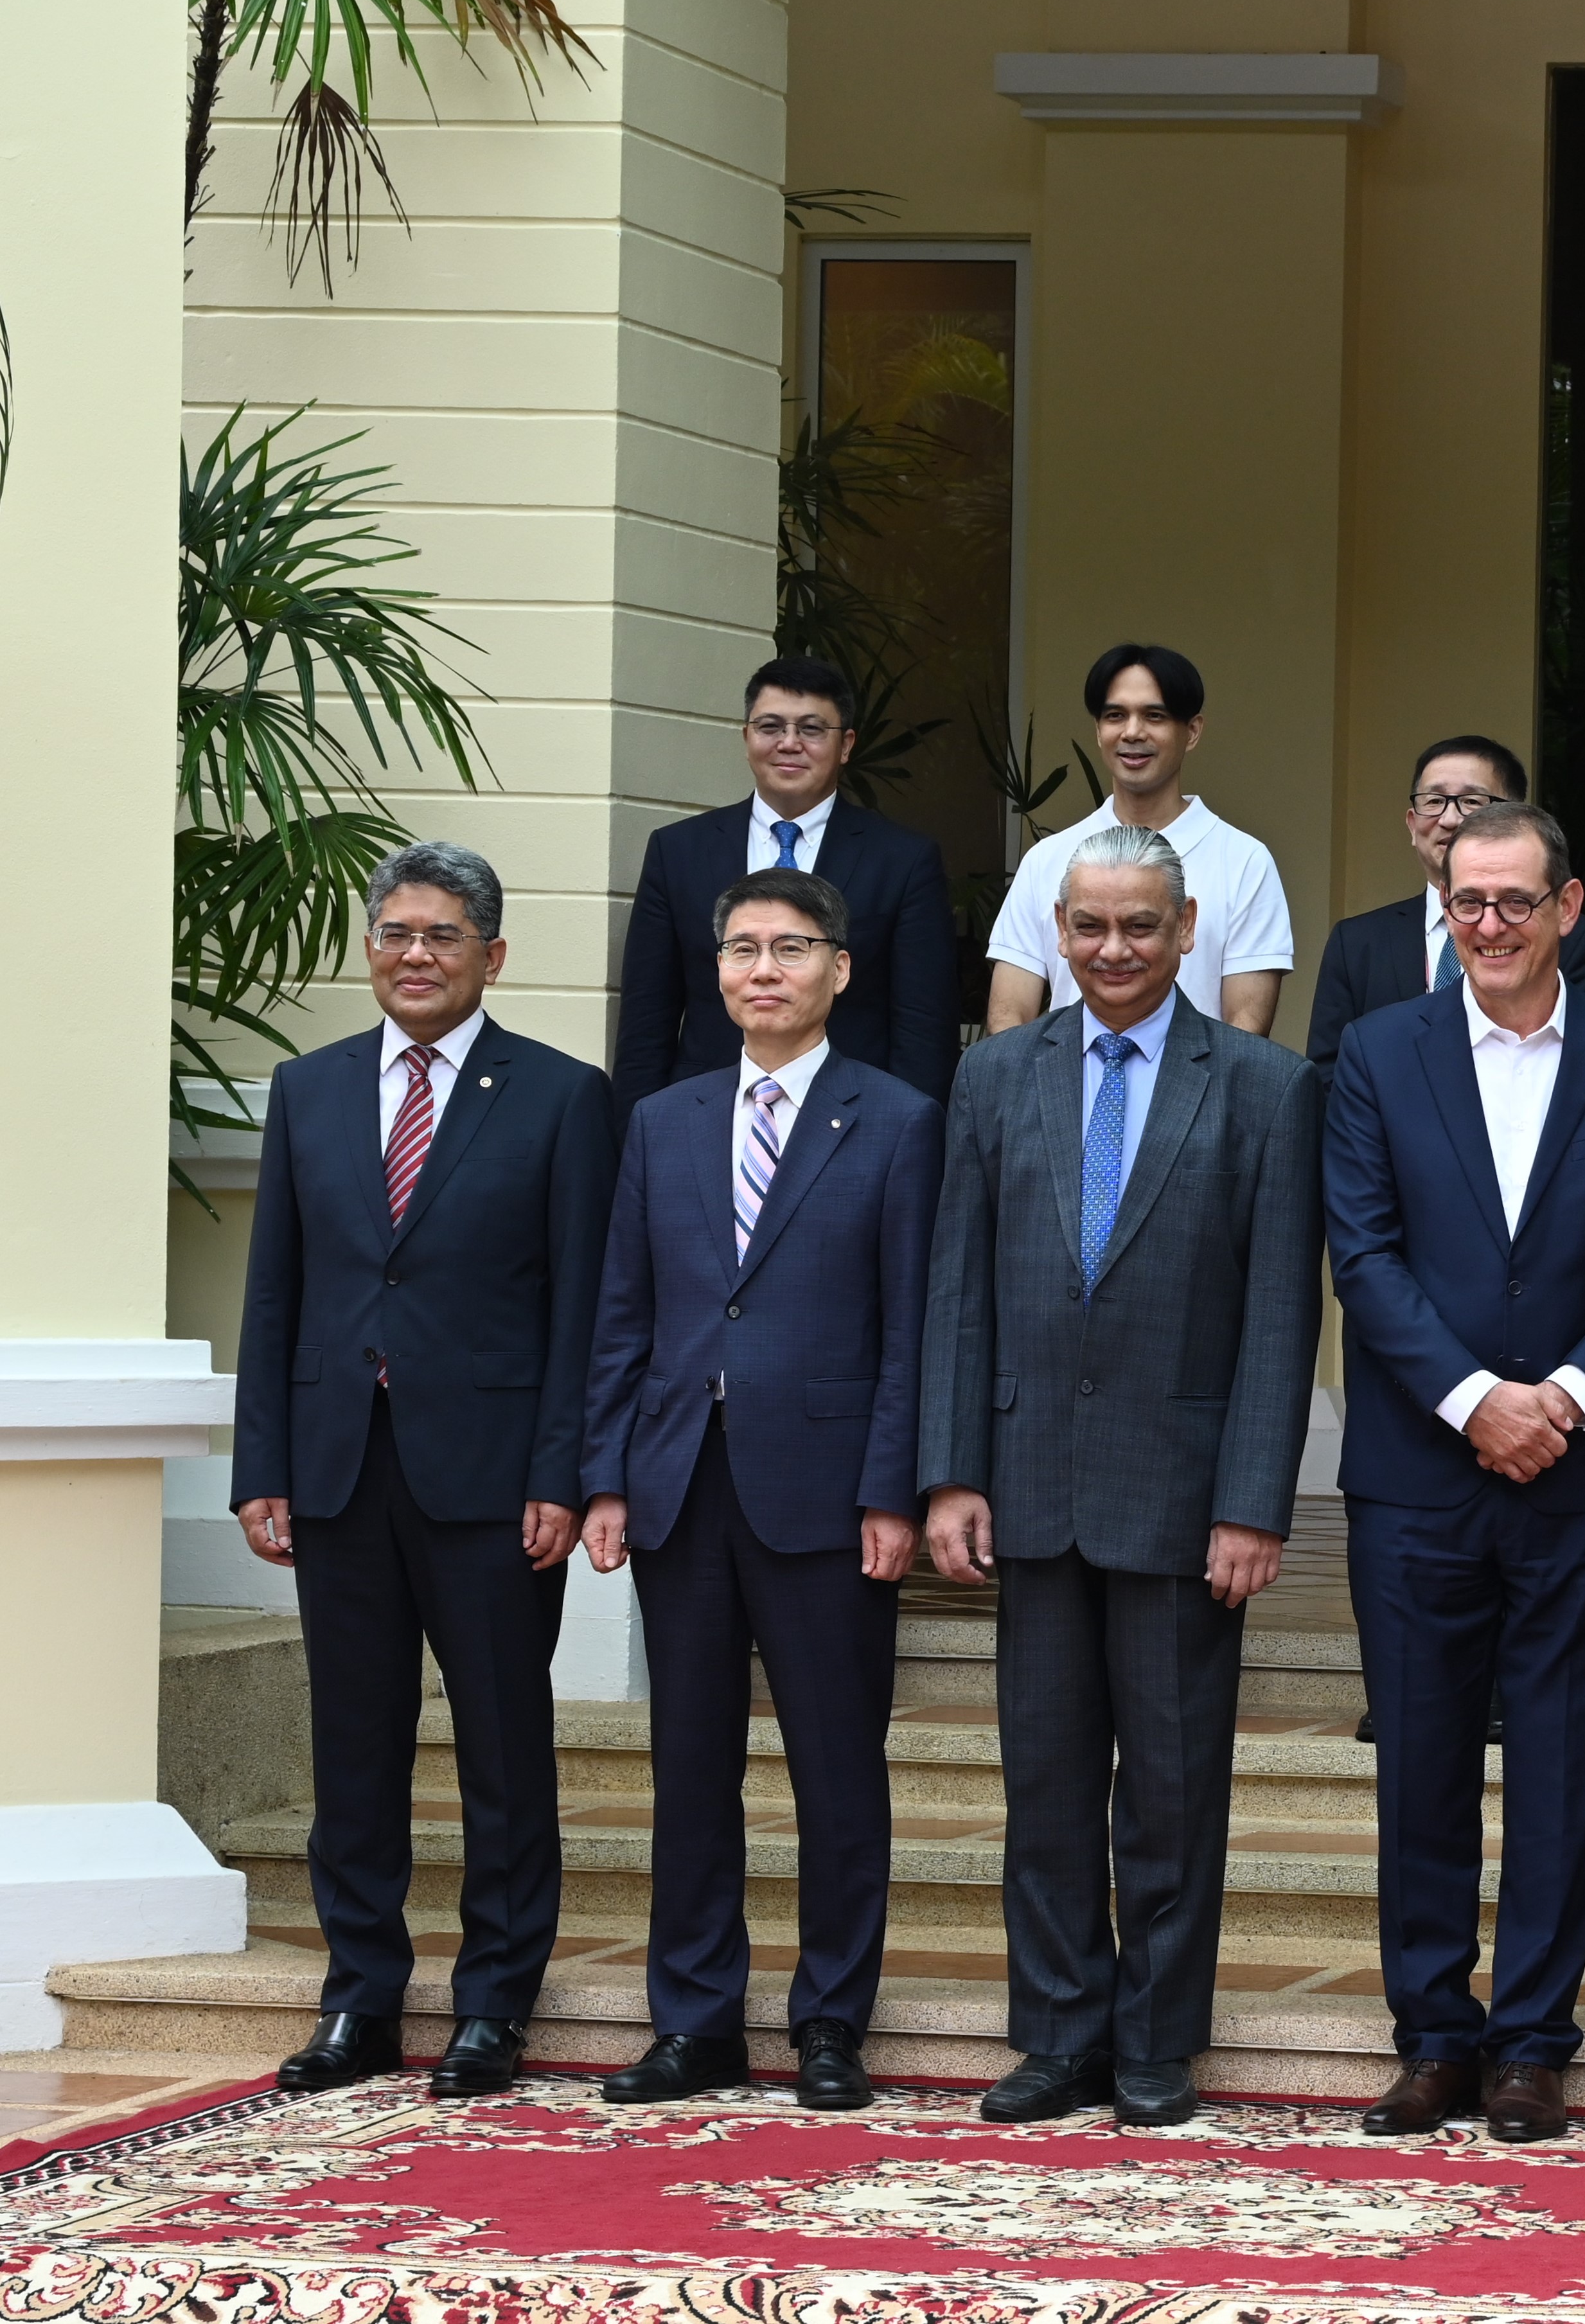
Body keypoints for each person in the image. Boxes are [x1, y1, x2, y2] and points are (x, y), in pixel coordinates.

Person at [917, 823, 1325, 2128]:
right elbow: (958, 1287)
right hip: (1027, 1479)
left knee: (1169, 1787)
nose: (1112, 949)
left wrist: (1254, 1499)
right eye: (1087, 926)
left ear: (1188, 928)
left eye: (1139, 925)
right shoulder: (992, 1078)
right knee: (1041, 1782)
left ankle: (1155, 2041)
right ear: (1055, 932)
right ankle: (1055, 2037)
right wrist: (950, 1472)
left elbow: (1280, 1315)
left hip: (1182, 1495)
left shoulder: (1263, 1083)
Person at [229, 842, 619, 2103]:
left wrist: (564, 1469)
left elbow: (583, 1305)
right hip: (339, 1469)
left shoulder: (563, 1097)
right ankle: (362, 1997)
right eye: (395, 931)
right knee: (355, 1746)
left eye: (442, 934)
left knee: (504, 1747)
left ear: (491, 954)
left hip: (497, 1478)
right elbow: (278, 1289)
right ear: (370, 945)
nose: (414, 953)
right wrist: (263, 1466)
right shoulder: (310, 1089)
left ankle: (495, 2002)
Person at [1320, 802, 1585, 2143]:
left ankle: (1531, 2039)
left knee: (1566, 1761)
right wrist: (1478, 1403)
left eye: (1514, 903)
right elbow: (1361, 1254)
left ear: (1568, 907)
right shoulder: (1376, 1051)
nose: (1487, 927)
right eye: (1466, 902)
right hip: (1421, 1473)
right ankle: (1432, 2036)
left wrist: (1569, 1399)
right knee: (1419, 1757)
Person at [579, 865, 939, 2113]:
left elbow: (913, 1328)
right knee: (689, 1768)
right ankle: (697, 2021)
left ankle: (832, 2018)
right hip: (680, 1483)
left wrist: (895, 1488)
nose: (764, 968)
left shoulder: (895, 1116)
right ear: (717, 969)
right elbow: (625, 1312)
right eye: (741, 947)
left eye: (791, 947)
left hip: (831, 1493)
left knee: (838, 1769)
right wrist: (607, 1476)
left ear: (840, 969)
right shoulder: (663, 1120)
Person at [613, 653, 964, 1104]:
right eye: (771, 727)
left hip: (854, 1114)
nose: (789, 743)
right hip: (707, 1114)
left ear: (846, 744)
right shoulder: (678, 851)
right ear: (746, 738)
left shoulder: (904, 859)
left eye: (812, 729)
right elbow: (647, 1020)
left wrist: (914, 1142)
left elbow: (925, 1030)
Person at [986, 644, 1295, 1037]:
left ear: (1193, 731)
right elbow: (1008, 1014)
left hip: (1196, 1095)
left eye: (1155, 716)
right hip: (1065, 1093)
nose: (1132, 732)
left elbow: (1246, 1031)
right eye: (1116, 715)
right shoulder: (1046, 859)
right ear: (1099, 730)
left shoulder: (1244, 862)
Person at [1304, 733, 1585, 1078]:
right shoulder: (1357, 941)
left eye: (1472, 801)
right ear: (1412, 825)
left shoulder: (1574, 937)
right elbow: (1327, 1076)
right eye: (1433, 801)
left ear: (1519, 817)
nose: (1450, 819)